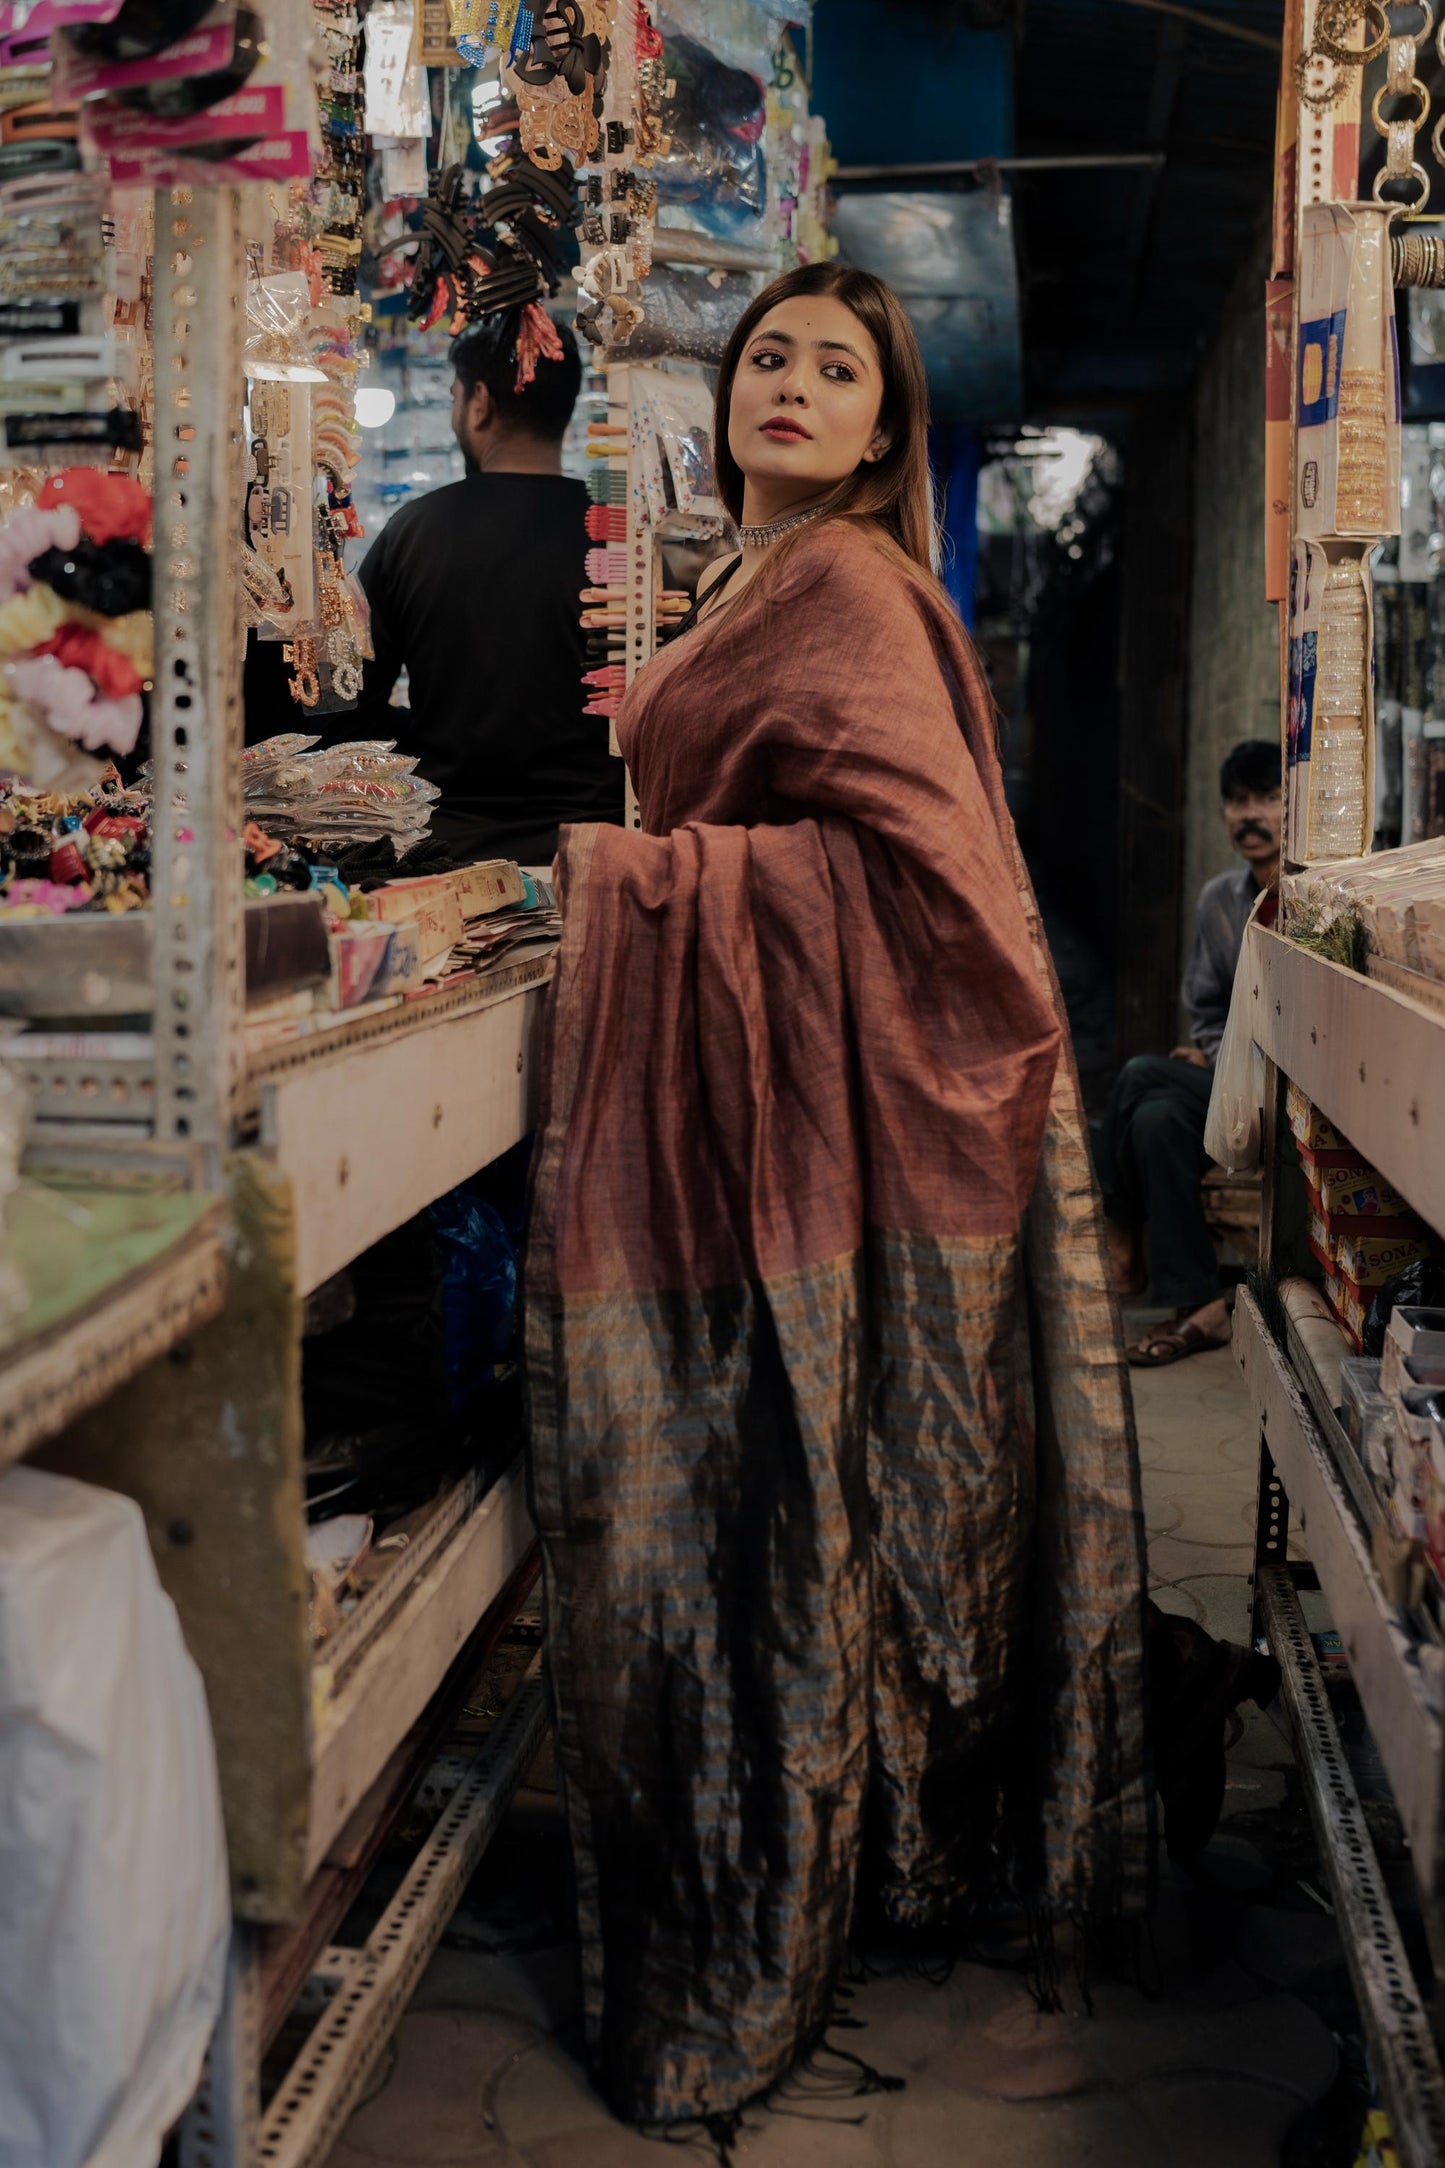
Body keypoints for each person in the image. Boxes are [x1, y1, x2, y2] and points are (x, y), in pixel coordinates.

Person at [525, 264, 1149, 2132]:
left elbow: (950, 907)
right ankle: (858, 1830)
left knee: (815, 1495)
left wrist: (642, 888)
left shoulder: (854, 592)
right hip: (771, 1098)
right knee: (815, 1503)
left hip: (839, 1112)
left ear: (888, 432)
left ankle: (821, 1840)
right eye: (770, 359)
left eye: (838, 370)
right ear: (727, 407)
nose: (794, 385)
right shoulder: (755, 582)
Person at [348, 306, 623, 864]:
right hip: (598, 855)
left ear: (479, 402)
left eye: (453, 397)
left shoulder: (414, 532)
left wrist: (430, 733)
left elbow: (353, 699)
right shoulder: (621, 536)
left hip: (449, 855)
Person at [1099, 738, 1283, 1366]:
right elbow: (1205, 1009)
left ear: (1293, 807)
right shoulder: (1217, 902)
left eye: (1266, 798)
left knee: (1138, 1074)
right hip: (1229, 1084)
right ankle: (1200, 1304)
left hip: (1289, 1094)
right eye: (1236, 801)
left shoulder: (1315, 900)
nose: (1248, 814)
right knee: (1155, 1118)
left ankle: (1118, 1227)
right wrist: (1210, 1052)